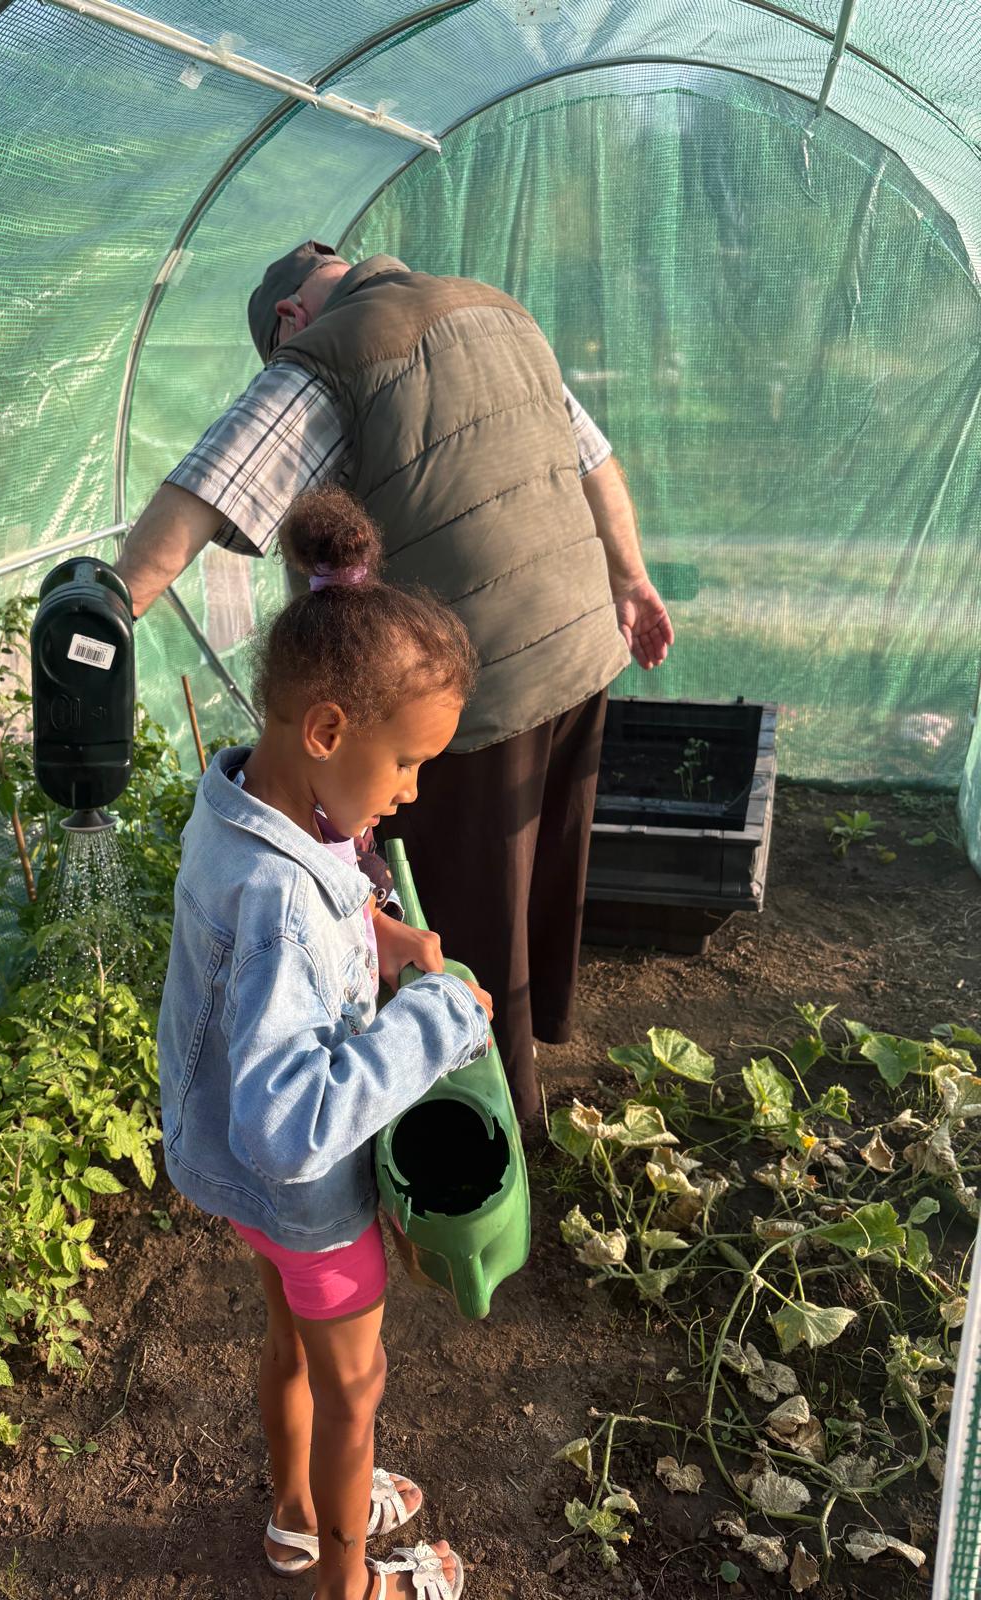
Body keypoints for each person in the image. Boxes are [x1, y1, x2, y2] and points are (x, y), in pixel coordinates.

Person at [119, 241, 674, 1121]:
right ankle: (541, 1036)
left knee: (468, 910)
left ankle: (490, 1122)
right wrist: (633, 582)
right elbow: (594, 463)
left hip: (469, 687)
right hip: (580, 646)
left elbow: (208, 489)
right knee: (537, 879)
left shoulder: (334, 348)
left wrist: (106, 614)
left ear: (290, 322)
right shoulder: (498, 309)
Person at [157, 485, 489, 1599]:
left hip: (247, 1191)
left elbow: (302, 904)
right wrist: (435, 1019)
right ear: (330, 729)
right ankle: (351, 1585)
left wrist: (378, 926)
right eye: (404, 767)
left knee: (287, 1339)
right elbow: (294, 1119)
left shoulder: (250, 802)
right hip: (306, 1196)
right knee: (358, 1385)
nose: (406, 795)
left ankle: (296, 1516)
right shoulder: (288, 898)